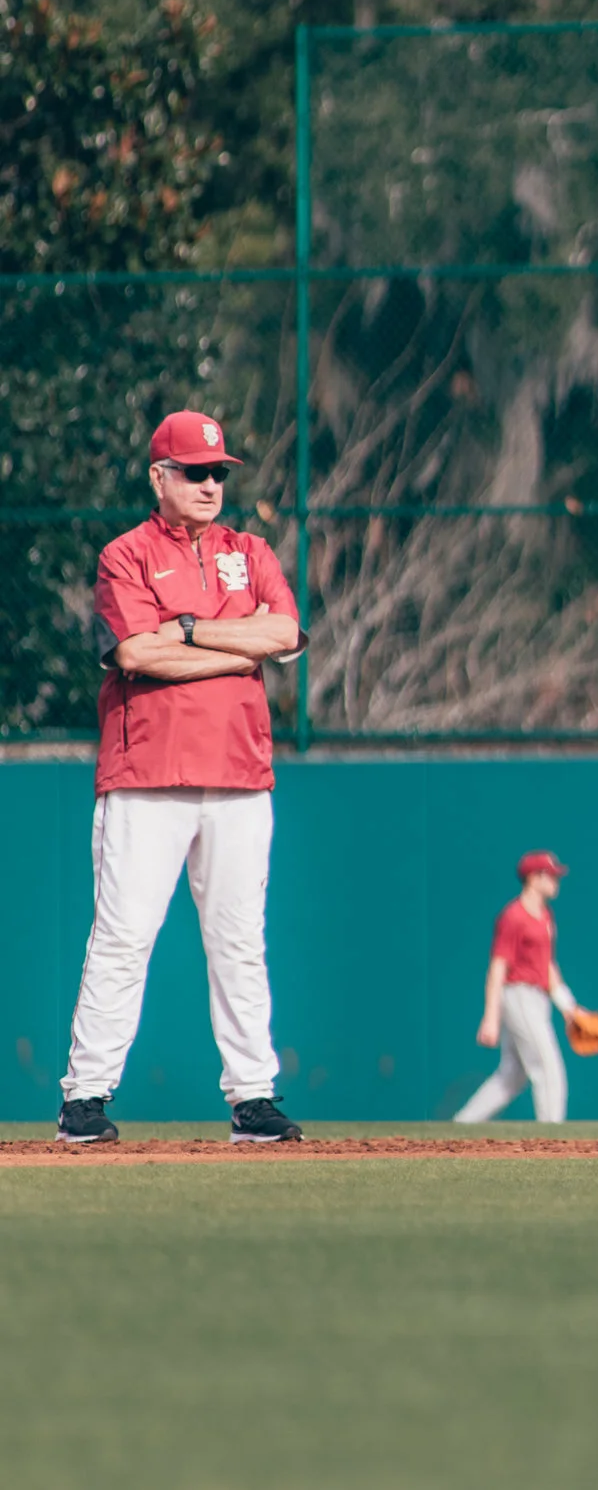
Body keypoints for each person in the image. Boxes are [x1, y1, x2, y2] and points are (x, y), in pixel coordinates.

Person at [57, 411, 307, 1145]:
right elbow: (136, 653)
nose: (208, 484)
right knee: (124, 934)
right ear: (158, 476)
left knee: (239, 939)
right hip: (146, 771)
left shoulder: (250, 549)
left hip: (239, 769)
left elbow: (286, 634)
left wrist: (193, 631)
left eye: (218, 472)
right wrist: (238, 646)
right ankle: (85, 1096)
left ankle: (253, 1095)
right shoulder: (125, 555)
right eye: (194, 471)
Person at [454, 851, 592, 1125]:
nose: (556, 881)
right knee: (548, 1068)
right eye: (551, 875)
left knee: (511, 1076)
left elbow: (548, 965)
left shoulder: (545, 916)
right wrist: (491, 1017)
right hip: (518, 994)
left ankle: (463, 1125)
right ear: (533, 877)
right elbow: (497, 968)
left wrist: (569, 1006)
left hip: (538, 997)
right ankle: (553, 1137)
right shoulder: (513, 916)